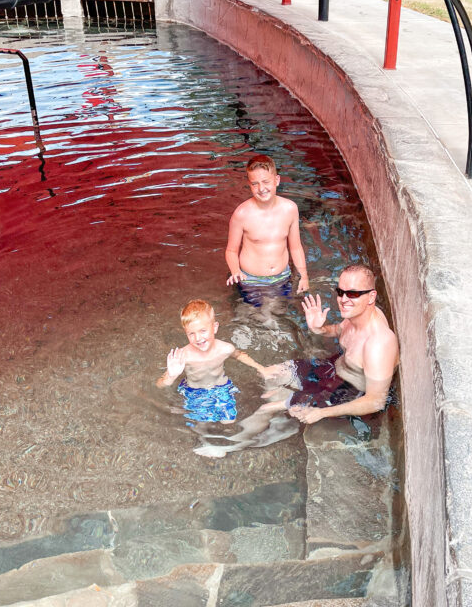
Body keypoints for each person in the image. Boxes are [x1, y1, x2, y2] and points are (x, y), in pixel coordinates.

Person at [289, 263, 399, 425]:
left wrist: (321, 413)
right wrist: (319, 329)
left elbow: (376, 401)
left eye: (353, 293)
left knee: (273, 406)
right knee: (272, 374)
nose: (344, 299)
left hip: (348, 392)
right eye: (340, 292)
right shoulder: (356, 315)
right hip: (334, 368)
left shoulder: (378, 344)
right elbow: (338, 330)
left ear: (371, 297)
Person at [156, 299, 276, 423]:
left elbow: (239, 355)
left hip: (221, 388)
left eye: (203, 331)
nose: (198, 338)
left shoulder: (225, 348)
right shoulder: (183, 356)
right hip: (195, 392)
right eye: (191, 333)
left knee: (229, 421)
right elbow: (159, 384)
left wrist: (261, 368)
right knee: (200, 424)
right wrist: (171, 376)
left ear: (214, 328)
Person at [225, 155, 309, 305]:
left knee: (280, 314)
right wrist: (235, 271)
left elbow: (295, 247)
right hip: (250, 280)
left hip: (282, 276)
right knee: (254, 319)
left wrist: (304, 276)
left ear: (277, 180)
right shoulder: (241, 214)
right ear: (249, 185)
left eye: (266, 182)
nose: (261, 188)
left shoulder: (290, 209)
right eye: (255, 184)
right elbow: (231, 250)